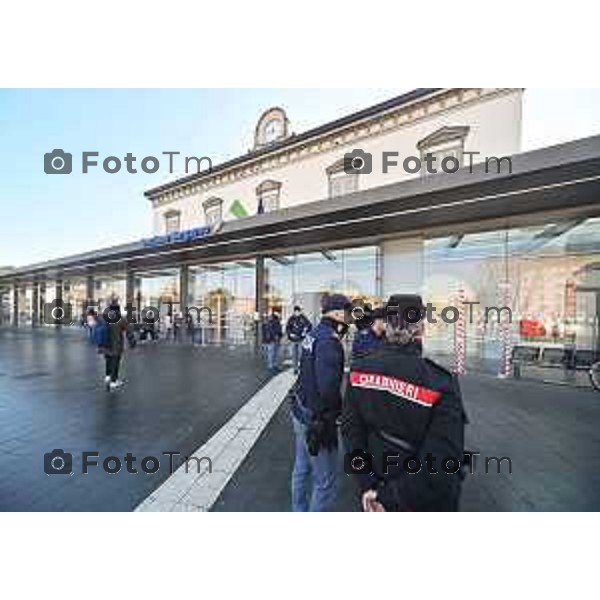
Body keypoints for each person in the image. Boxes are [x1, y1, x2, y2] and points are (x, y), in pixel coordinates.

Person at [341, 294, 467, 512]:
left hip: (371, 494)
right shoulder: (439, 382)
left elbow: (351, 434)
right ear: (421, 329)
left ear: (386, 327)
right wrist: (390, 498)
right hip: (419, 501)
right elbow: (442, 459)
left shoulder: (360, 370)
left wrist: (369, 487)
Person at [290, 293, 351, 512]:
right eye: (346, 312)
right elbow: (328, 390)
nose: (349, 318)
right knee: (325, 482)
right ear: (336, 313)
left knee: (302, 468)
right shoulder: (328, 341)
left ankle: (298, 511)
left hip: (301, 410)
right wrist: (338, 415)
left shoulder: (314, 334)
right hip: (316, 420)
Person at [94, 302, 136, 391]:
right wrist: (132, 343)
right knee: (115, 362)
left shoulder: (104, 317)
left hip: (105, 345)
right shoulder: (121, 319)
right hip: (116, 345)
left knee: (108, 360)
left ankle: (108, 376)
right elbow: (129, 331)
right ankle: (114, 381)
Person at [286, 305, 313, 374]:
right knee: (294, 355)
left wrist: (305, 332)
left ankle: (301, 367)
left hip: (301, 339)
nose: (297, 313)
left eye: (298, 311)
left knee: (301, 355)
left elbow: (310, 326)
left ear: (300, 311)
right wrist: (290, 334)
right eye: (296, 311)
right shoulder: (291, 319)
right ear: (294, 311)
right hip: (293, 340)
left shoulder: (303, 318)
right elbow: (288, 328)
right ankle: (295, 368)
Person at [263, 310, 283, 374]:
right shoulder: (272, 322)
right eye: (279, 314)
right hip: (272, 340)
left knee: (275, 354)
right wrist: (276, 336)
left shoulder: (277, 322)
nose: (280, 315)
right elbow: (270, 331)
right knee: (272, 354)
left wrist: (280, 335)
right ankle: (271, 367)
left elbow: (279, 330)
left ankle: (274, 366)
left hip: (275, 340)